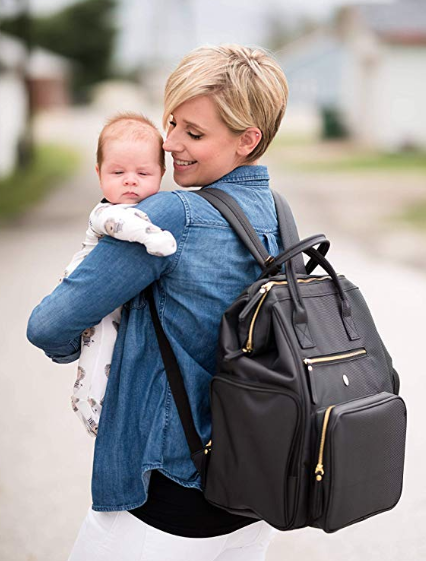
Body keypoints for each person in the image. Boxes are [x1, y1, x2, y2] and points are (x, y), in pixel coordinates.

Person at [27, 44, 289, 560]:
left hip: (164, 487)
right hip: (252, 487)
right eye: (172, 124)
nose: (169, 145)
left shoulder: (169, 214)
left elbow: (48, 324)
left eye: (194, 133)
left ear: (247, 139)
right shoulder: (277, 212)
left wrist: (81, 347)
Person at [63, 113, 177, 436]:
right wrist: (155, 238)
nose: (130, 180)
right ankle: (90, 407)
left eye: (143, 172)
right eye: (118, 172)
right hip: (89, 296)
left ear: (161, 173)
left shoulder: (152, 207)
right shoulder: (106, 212)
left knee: (114, 355)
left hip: (116, 304)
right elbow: (125, 226)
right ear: (99, 175)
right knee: (99, 353)